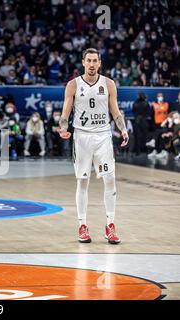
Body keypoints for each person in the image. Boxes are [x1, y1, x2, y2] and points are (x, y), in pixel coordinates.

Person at [58, 48, 129, 245]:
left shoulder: (109, 84)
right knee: (83, 182)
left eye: (94, 61)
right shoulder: (73, 85)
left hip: (103, 136)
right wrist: (62, 129)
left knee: (110, 179)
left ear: (99, 63)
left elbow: (115, 111)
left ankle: (110, 224)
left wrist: (123, 129)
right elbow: (65, 114)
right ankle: (82, 225)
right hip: (81, 136)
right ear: (83, 62)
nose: (91, 64)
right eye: (88, 60)